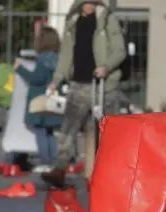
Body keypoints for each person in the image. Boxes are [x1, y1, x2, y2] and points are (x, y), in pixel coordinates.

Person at [40, 0, 127, 188]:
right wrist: (57, 79)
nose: (88, 6)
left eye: (92, 2)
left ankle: (104, 173)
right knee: (68, 128)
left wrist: (106, 66)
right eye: (85, 2)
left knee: (104, 131)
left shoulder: (107, 19)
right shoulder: (73, 21)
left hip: (103, 85)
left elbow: (120, 50)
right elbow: (66, 55)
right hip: (79, 82)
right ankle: (60, 169)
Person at [14, 26, 62, 173]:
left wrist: (19, 69)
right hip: (53, 100)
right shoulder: (58, 57)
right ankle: (54, 161)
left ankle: (45, 162)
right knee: (51, 133)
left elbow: (37, 78)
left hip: (39, 100)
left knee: (41, 132)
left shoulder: (42, 59)